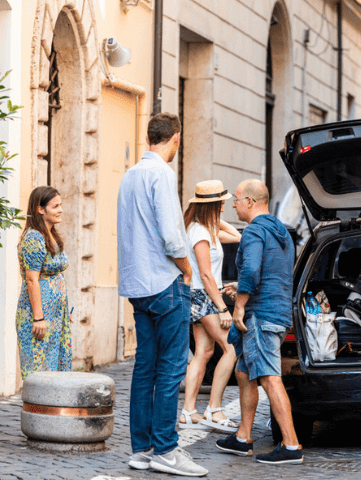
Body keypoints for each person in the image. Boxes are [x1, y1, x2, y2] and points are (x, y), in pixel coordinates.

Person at [117, 112, 207, 477]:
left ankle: (143, 449)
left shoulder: (129, 175)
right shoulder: (161, 174)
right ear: (175, 139)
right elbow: (172, 233)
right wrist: (187, 270)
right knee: (170, 371)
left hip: (137, 284)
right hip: (164, 283)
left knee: (144, 369)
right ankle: (167, 451)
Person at [215, 179, 303, 465]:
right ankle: (243, 438)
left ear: (251, 202)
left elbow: (252, 268)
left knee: (269, 377)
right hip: (276, 312)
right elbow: (270, 271)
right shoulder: (281, 232)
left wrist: (239, 305)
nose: (234, 204)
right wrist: (240, 285)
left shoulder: (253, 231)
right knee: (243, 372)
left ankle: (290, 445)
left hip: (260, 316)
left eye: (237, 199)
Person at [179, 180, 242, 432]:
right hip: (201, 296)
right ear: (212, 205)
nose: (225, 208)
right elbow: (205, 275)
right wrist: (223, 308)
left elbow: (238, 236)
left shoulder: (207, 229)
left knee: (204, 353)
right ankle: (214, 410)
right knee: (231, 347)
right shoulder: (199, 232)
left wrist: (213, 218)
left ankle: (188, 412)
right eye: (221, 204)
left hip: (201, 296)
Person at [16, 186, 72, 379]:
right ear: (40, 209)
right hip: (39, 316)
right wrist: (38, 317)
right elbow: (32, 279)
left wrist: (64, 310)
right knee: (39, 373)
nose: (60, 210)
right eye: (55, 206)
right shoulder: (33, 238)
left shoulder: (52, 235)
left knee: (55, 370)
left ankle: (52, 410)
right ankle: (37, 410)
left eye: (60, 205)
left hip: (55, 315)